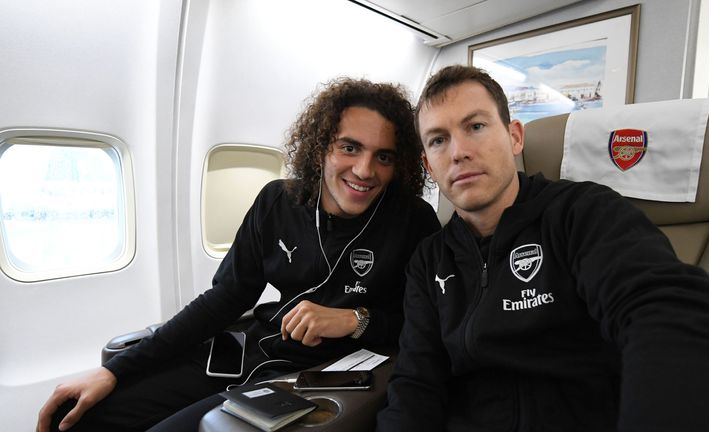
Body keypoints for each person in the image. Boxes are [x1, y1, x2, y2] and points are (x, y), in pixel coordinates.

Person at [38, 77, 441, 432]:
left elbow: (425, 326)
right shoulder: (278, 201)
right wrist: (114, 370)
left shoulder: (412, 220)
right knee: (75, 417)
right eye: (349, 148)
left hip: (306, 376)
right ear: (321, 147)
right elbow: (226, 298)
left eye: (383, 156)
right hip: (243, 351)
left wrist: (355, 320)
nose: (365, 170)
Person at [376, 65, 709, 431]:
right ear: (427, 163)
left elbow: (672, 315)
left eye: (475, 126)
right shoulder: (429, 260)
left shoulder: (582, 214)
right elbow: (416, 384)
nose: (458, 152)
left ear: (514, 137)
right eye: (438, 140)